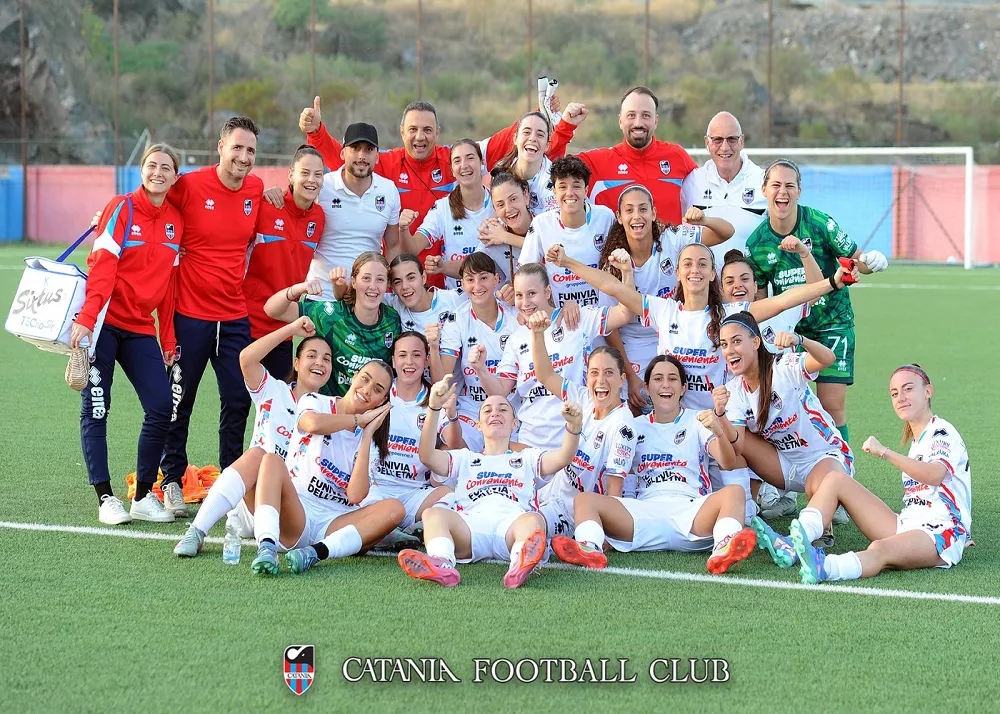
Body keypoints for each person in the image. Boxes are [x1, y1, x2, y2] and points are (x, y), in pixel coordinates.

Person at [299, 98, 575, 288]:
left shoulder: (457, 159)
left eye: (428, 130)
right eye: (413, 130)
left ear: (438, 132)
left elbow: (514, 138)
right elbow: (349, 162)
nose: (420, 137)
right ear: (402, 132)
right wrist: (317, 134)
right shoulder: (385, 163)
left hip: (455, 281)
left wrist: (545, 111)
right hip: (401, 281)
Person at [757, 364, 972, 583]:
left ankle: (825, 568)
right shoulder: (918, 441)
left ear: (928, 391)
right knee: (835, 480)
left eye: (908, 389)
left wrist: (885, 452)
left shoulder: (942, 432)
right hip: (908, 523)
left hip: (941, 532)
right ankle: (793, 544)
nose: (901, 397)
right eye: (895, 393)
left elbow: (935, 475)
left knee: (879, 549)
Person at [550, 355, 757, 574]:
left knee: (734, 492)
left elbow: (727, 462)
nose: (665, 385)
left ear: (683, 387)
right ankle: (590, 548)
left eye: (672, 379)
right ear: (647, 388)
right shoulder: (632, 424)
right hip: (644, 514)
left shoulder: (698, 420)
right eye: (658, 379)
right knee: (584, 500)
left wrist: (718, 431)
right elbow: (617, 474)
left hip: (691, 512)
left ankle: (723, 547)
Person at [157, 116, 265, 518]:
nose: (243, 157)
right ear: (220, 147)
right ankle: (170, 480)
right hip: (191, 313)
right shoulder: (190, 186)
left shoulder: (255, 188)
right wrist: (113, 214)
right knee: (178, 399)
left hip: (234, 315)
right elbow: (149, 201)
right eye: (236, 147)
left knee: (238, 399)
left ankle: (232, 484)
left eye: (250, 150)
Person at [71, 143, 184, 525]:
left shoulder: (176, 221)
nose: (158, 172)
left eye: (166, 167)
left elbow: (168, 288)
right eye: (151, 165)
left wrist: (167, 341)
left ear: (175, 175)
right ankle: (105, 498)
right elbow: (102, 265)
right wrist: (88, 318)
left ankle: (142, 496)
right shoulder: (121, 207)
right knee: (97, 408)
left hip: (139, 328)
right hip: (103, 323)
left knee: (161, 406)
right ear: (141, 170)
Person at [745, 159, 889, 447]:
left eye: (789, 185)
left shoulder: (820, 223)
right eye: (775, 185)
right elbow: (760, 301)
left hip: (832, 323)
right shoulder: (757, 242)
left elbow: (855, 260)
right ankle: (789, 477)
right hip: (790, 332)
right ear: (764, 189)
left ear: (799, 191)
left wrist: (873, 262)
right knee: (784, 407)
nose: (782, 192)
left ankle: (842, 469)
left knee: (831, 406)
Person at [397, 376, 584, 588]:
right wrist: (433, 408)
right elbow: (427, 456)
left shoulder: (527, 458)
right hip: (469, 528)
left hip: (512, 527)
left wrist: (573, 427)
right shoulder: (464, 458)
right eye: (487, 410)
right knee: (433, 513)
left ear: (515, 424)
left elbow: (562, 457)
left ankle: (520, 563)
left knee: (533, 519)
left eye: (503, 409)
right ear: (478, 425)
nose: (495, 412)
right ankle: (442, 563)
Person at [173, 316, 331, 556]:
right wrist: (290, 329)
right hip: (251, 507)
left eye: (326, 359)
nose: (319, 362)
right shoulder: (273, 390)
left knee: (267, 459)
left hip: (293, 510)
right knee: (259, 454)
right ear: (296, 363)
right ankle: (196, 531)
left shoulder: (331, 409)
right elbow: (246, 358)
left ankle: (266, 548)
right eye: (311, 356)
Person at [711, 312, 853, 547]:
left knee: (820, 483)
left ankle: (819, 527)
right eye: (724, 344)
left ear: (756, 342)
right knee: (734, 446)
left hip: (826, 457)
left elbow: (827, 358)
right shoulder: (733, 390)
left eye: (737, 341)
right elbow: (736, 446)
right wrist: (720, 414)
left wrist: (800, 340)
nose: (729, 350)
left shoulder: (784, 366)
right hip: (785, 466)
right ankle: (746, 511)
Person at [250, 360, 401, 575]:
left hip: (333, 524)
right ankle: (267, 547)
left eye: (377, 389)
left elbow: (356, 495)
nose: (366, 390)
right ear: (355, 375)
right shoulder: (316, 400)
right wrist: (357, 420)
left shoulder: (372, 443)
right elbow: (311, 424)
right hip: (297, 513)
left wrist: (367, 435)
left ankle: (314, 554)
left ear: (382, 400)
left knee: (394, 509)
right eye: (365, 379)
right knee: (271, 460)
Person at [596, 184, 734, 414]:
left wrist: (705, 219)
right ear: (619, 217)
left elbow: (726, 232)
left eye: (643, 209)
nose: (637, 216)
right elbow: (610, 328)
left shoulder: (673, 238)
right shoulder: (613, 262)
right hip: (631, 345)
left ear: (654, 213)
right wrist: (630, 376)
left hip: (673, 338)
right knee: (634, 408)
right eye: (629, 210)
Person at [472, 263, 630, 450]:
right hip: (532, 441)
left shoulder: (576, 318)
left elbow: (625, 313)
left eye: (532, 293)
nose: (525, 302)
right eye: (519, 296)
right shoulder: (516, 339)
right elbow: (500, 392)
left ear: (548, 292)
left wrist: (627, 272)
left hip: (578, 436)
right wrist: (481, 370)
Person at [719, 245, 824, 520]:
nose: (737, 285)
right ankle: (758, 498)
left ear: (756, 286)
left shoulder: (778, 309)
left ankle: (823, 493)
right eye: (729, 281)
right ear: (720, 289)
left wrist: (804, 253)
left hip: (789, 398)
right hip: (750, 404)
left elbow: (815, 289)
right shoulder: (718, 320)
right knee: (744, 433)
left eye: (744, 279)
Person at [525, 312, 635, 538]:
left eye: (609, 373)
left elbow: (615, 488)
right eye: (594, 373)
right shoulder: (583, 397)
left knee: (532, 525)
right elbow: (545, 374)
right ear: (587, 377)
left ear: (622, 379)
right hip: (549, 493)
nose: (601, 380)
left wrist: (609, 536)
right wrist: (537, 334)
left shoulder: (623, 425)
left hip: (573, 512)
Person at [551, 86, 697, 224]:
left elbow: (710, 188)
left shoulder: (677, 156)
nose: (638, 123)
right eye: (631, 115)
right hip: (615, 250)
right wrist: (565, 127)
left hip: (671, 250)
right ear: (620, 121)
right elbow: (549, 167)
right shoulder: (597, 163)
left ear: (656, 121)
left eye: (646, 115)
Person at [264, 251, 402, 396]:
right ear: (353, 281)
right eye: (366, 278)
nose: (373, 286)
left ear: (387, 284)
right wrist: (297, 290)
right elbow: (272, 310)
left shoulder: (392, 320)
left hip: (368, 412)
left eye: (380, 280)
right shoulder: (331, 314)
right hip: (328, 410)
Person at [243, 145, 326, 379]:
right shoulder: (266, 205)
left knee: (279, 404)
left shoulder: (319, 218)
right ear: (291, 174)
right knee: (237, 402)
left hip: (283, 327)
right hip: (247, 323)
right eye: (305, 172)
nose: (311, 180)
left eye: (318, 175)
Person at [369, 332, 461, 534]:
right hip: (374, 488)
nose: (409, 362)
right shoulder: (379, 393)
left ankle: (410, 530)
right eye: (402, 355)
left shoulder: (434, 398)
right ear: (393, 361)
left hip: (413, 493)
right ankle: (391, 530)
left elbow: (454, 446)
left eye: (416, 355)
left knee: (451, 496)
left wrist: (452, 415)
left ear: (427, 360)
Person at [299, 123, 401, 298]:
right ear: (342, 153)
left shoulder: (389, 190)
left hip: (367, 297)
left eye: (368, 149)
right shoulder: (323, 185)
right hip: (322, 294)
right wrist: (275, 192)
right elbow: (293, 202)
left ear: (377, 156)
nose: (361, 156)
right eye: (355, 148)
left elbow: (392, 245)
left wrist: (389, 287)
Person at [438, 253, 520, 452]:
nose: (477, 286)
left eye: (483, 277)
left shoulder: (515, 316)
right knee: (443, 467)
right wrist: (433, 348)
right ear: (462, 284)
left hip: (512, 407)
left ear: (496, 280)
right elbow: (444, 377)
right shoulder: (456, 320)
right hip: (473, 407)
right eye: (469, 280)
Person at [517, 156, 618, 309]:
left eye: (576, 186)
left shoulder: (606, 217)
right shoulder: (541, 224)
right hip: (564, 319)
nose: (569, 193)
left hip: (603, 318)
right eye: (563, 187)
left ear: (586, 190)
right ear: (554, 191)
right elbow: (525, 273)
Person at [401, 139, 496, 288]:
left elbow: (486, 263)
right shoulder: (442, 208)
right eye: (457, 161)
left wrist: (443, 267)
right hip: (456, 302)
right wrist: (404, 229)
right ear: (452, 170)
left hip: (495, 299)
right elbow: (413, 248)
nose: (464, 165)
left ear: (482, 162)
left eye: (470, 158)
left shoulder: (498, 203)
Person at [679, 111, 768, 264]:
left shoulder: (764, 181)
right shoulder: (692, 183)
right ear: (707, 143)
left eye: (732, 139)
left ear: (742, 141)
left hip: (752, 285)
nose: (725, 147)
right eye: (717, 140)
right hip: (706, 285)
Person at [491, 109, 588, 216]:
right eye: (527, 132)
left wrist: (503, 234)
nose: (532, 138)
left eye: (540, 135)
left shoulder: (554, 182)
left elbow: (552, 231)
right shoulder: (500, 169)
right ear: (515, 138)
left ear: (547, 145)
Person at [385, 253, 467, 333]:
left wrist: (444, 267)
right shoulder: (393, 303)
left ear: (423, 277)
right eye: (397, 282)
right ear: (392, 287)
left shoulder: (453, 298)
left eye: (411, 278)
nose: (405, 286)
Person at [476, 171, 534, 281]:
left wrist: (505, 237)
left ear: (526, 196)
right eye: (500, 205)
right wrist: (442, 266)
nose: (508, 209)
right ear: (495, 209)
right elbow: (472, 268)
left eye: (513, 199)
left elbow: (547, 248)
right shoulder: (493, 233)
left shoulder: (545, 221)